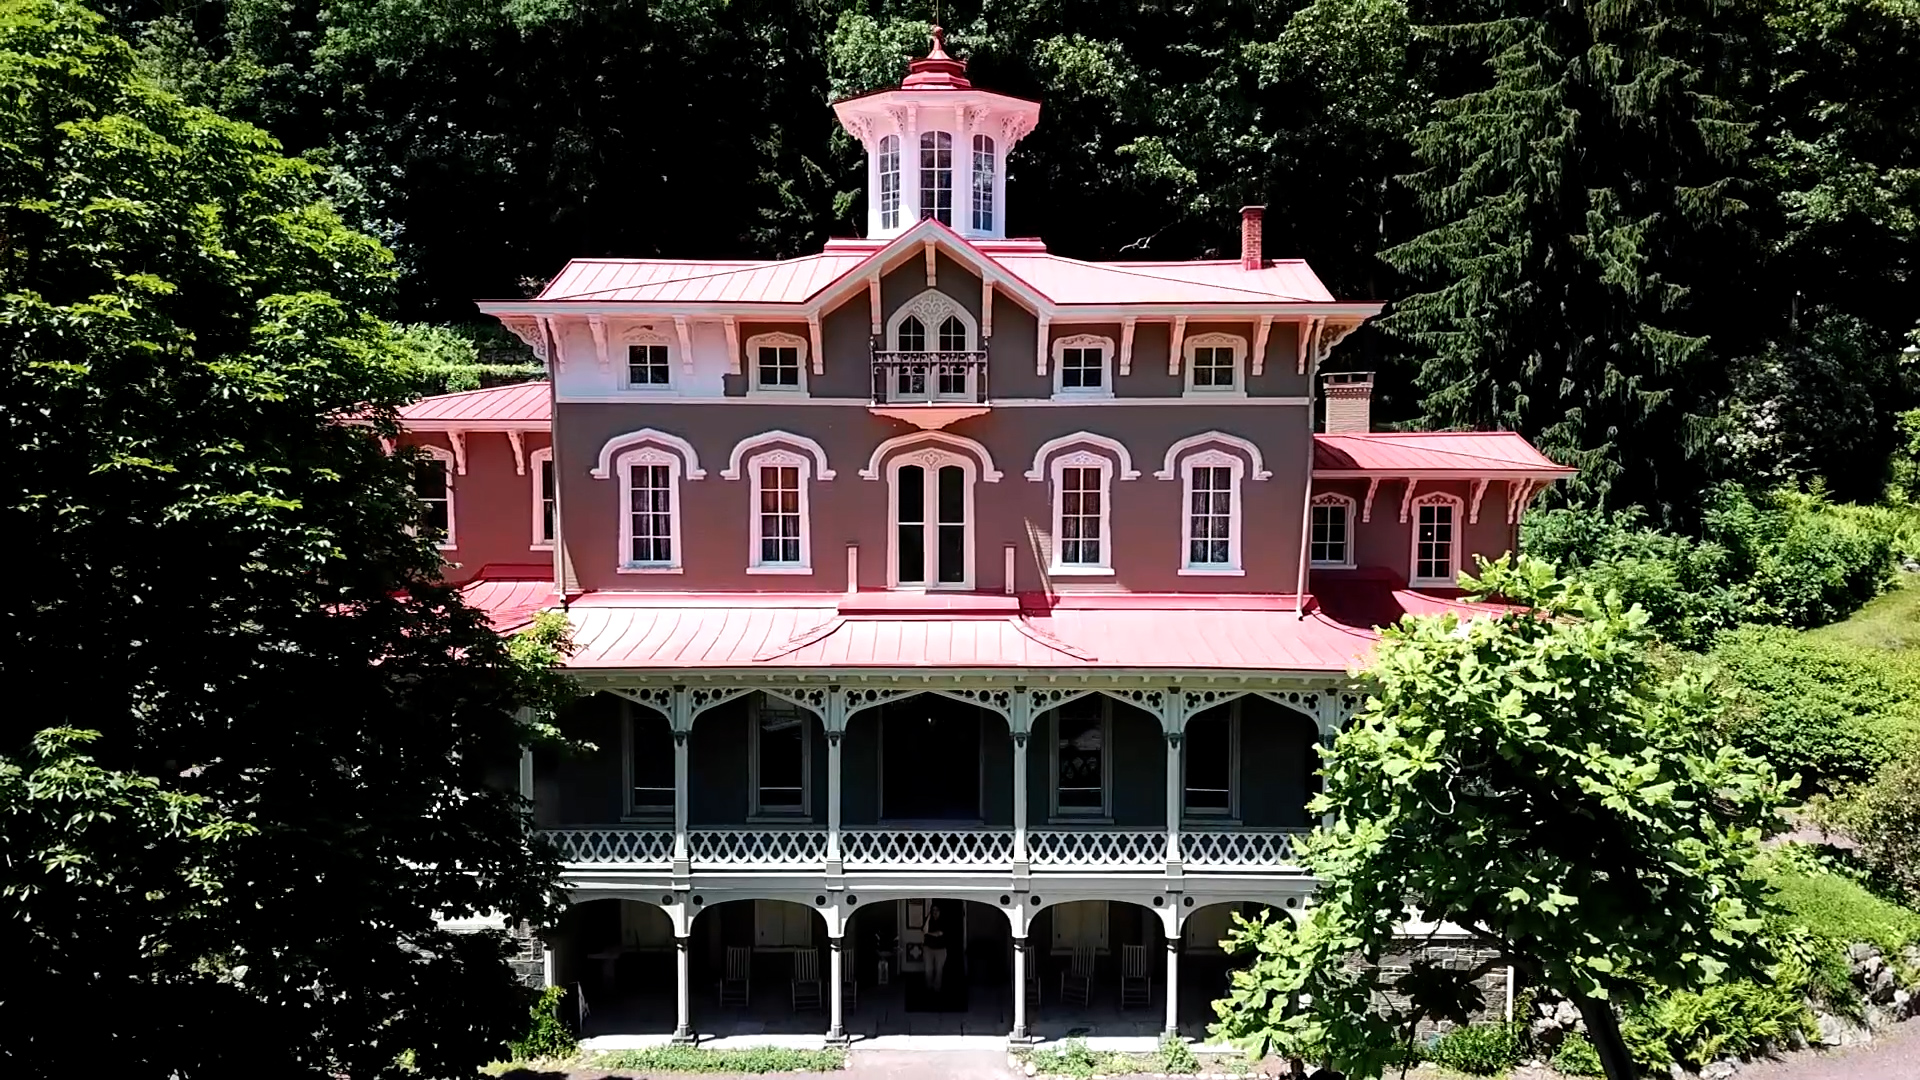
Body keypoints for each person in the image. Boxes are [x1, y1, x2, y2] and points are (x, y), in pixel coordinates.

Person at [922, 903, 948, 992]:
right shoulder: (929, 920)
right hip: (928, 948)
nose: (935, 912)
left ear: (940, 911)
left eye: (937, 910)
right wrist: (928, 917)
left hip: (940, 949)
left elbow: (938, 934)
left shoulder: (944, 920)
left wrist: (928, 933)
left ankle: (937, 988)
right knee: (928, 969)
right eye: (933, 910)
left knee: (939, 970)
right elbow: (924, 930)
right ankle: (928, 988)